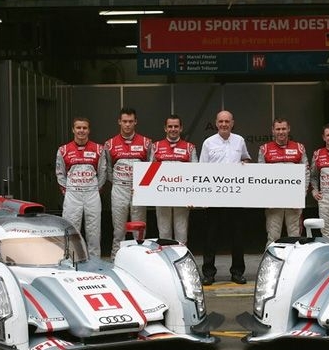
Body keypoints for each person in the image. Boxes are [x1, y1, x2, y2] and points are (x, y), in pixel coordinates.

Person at [199, 110, 251, 285]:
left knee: (237, 236)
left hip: (236, 197)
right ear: (216, 123)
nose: (224, 124)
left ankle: (237, 272)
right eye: (221, 121)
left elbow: (246, 160)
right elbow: (201, 171)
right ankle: (208, 273)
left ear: (232, 123)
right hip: (214, 198)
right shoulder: (208, 143)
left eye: (227, 121)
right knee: (210, 237)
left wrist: (245, 164)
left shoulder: (240, 140)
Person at [55, 117, 107, 258]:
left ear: (89, 130)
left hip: (92, 193)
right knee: (70, 229)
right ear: (73, 129)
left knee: (94, 231)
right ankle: (71, 260)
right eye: (78, 128)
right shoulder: (63, 150)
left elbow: (103, 172)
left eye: (84, 128)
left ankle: (95, 262)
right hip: (73, 194)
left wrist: (97, 188)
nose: (81, 131)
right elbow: (60, 173)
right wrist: (67, 191)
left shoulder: (99, 149)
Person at [104, 108, 152, 259]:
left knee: (139, 229)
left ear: (135, 122)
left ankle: (141, 260)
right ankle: (116, 260)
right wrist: (118, 182)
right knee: (118, 230)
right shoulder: (110, 144)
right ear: (119, 122)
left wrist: (141, 186)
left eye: (131, 121)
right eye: (124, 121)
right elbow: (107, 169)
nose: (127, 125)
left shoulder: (146, 142)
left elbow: (152, 167)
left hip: (138, 190)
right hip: (119, 188)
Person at [258, 118, 309, 244]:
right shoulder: (264, 149)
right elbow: (260, 175)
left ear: (289, 129)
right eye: (278, 129)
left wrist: (302, 195)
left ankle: (296, 264)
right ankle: (271, 264)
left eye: (284, 129)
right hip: (274, 201)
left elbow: (306, 173)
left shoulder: (299, 148)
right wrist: (265, 198)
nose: (281, 132)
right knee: (273, 237)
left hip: (294, 200)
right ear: (273, 131)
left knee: (295, 236)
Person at [150, 114, 198, 245]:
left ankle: (181, 262)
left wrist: (192, 196)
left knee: (181, 232)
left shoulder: (190, 147)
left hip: (182, 195)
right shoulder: (156, 147)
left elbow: (195, 174)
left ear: (181, 128)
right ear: (165, 128)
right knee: (164, 232)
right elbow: (148, 173)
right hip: (162, 194)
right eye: (170, 126)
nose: (173, 129)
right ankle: (166, 263)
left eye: (176, 126)